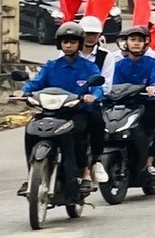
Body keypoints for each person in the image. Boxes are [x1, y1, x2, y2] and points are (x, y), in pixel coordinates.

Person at [23, 19, 103, 199]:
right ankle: (31, 174)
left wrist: (93, 96)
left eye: (72, 42)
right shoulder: (51, 66)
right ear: (60, 44)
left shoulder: (89, 67)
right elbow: (36, 83)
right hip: (51, 112)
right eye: (65, 42)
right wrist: (24, 91)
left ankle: (85, 172)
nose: (68, 45)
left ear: (79, 44)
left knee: (78, 132)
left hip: (77, 112)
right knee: (31, 130)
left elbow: (97, 86)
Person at [106, 20, 155, 189]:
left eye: (139, 40)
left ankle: (150, 160)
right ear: (126, 43)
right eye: (132, 40)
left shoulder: (154, 62)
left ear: (146, 43)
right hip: (124, 106)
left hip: (146, 105)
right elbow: (113, 85)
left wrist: (154, 87)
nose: (136, 43)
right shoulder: (118, 64)